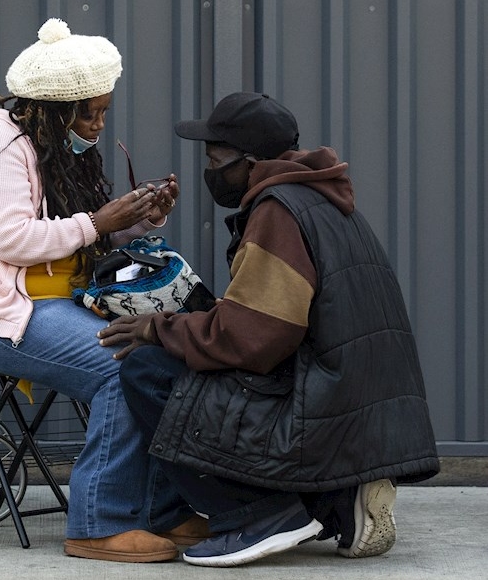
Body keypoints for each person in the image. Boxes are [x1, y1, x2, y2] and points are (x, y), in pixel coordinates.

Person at [100, 91, 440, 566]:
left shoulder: (278, 212)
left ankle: (259, 516)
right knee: (184, 355)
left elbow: (253, 339)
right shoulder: (321, 197)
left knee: (148, 369)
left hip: (320, 402)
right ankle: (336, 501)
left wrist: (160, 328)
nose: (210, 169)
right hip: (351, 404)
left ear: (251, 162)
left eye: (216, 158)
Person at [0, 18, 207, 563]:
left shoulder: (60, 150)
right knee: (124, 365)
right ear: (53, 107)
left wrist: (137, 221)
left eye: (104, 109)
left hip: (55, 303)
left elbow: (79, 241)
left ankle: (161, 513)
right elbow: (11, 240)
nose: (99, 123)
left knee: (165, 353)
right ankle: (98, 523)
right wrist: (100, 222)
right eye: (89, 111)